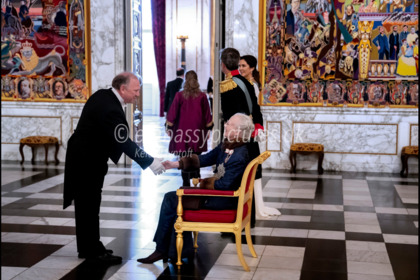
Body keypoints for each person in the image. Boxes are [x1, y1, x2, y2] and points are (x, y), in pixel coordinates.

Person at [63, 72, 166, 265]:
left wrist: (150, 158)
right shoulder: (110, 107)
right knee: (89, 205)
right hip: (86, 162)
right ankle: (92, 250)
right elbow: (124, 142)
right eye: (135, 91)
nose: (137, 95)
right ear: (123, 89)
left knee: (88, 205)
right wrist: (151, 162)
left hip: (85, 159)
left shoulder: (104, 96)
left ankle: (89, 247)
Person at [137, 113, 254, 264]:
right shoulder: (229, 145)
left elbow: (225, 186)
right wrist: (176, 164)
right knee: (174, 200)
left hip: (224, 200)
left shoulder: (239, 155)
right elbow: (205, 158)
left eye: (229, 124)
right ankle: (173, 251)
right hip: (218, 195)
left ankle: (163, 251)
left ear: (237, 132)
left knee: (171, 198)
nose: (225, 125)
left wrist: (203, 183)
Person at [220, 48, 278, 227]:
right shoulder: (245, 82)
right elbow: (255, 108)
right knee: (251, 172)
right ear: (237, 63)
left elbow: (230, 117)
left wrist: (228, 135)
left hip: (238, 135)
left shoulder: (227, 84)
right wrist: (258, 126)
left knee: (237, 173)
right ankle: (251, 214)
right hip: (251, 132)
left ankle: (238, 216)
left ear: (223, 65)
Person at [239, 55, 281, 219]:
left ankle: (254, 204)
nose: (240, 68)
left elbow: (253, 110)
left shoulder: (253, 86)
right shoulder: (244, 83)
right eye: (239, 65)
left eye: (243, 65)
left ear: (252, 68)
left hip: (248, 128)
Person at [166, 70, 213, 186]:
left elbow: (172, 113)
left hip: (182, 131)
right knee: (196, 157)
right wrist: (209, 129)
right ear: (196, 80)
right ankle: (196, 179)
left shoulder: (179, 95)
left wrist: (169, 127)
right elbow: (207, 114)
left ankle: (185, 182)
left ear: (185, 80)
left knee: (183, 157)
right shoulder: (202, 96)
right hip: (198, 131)